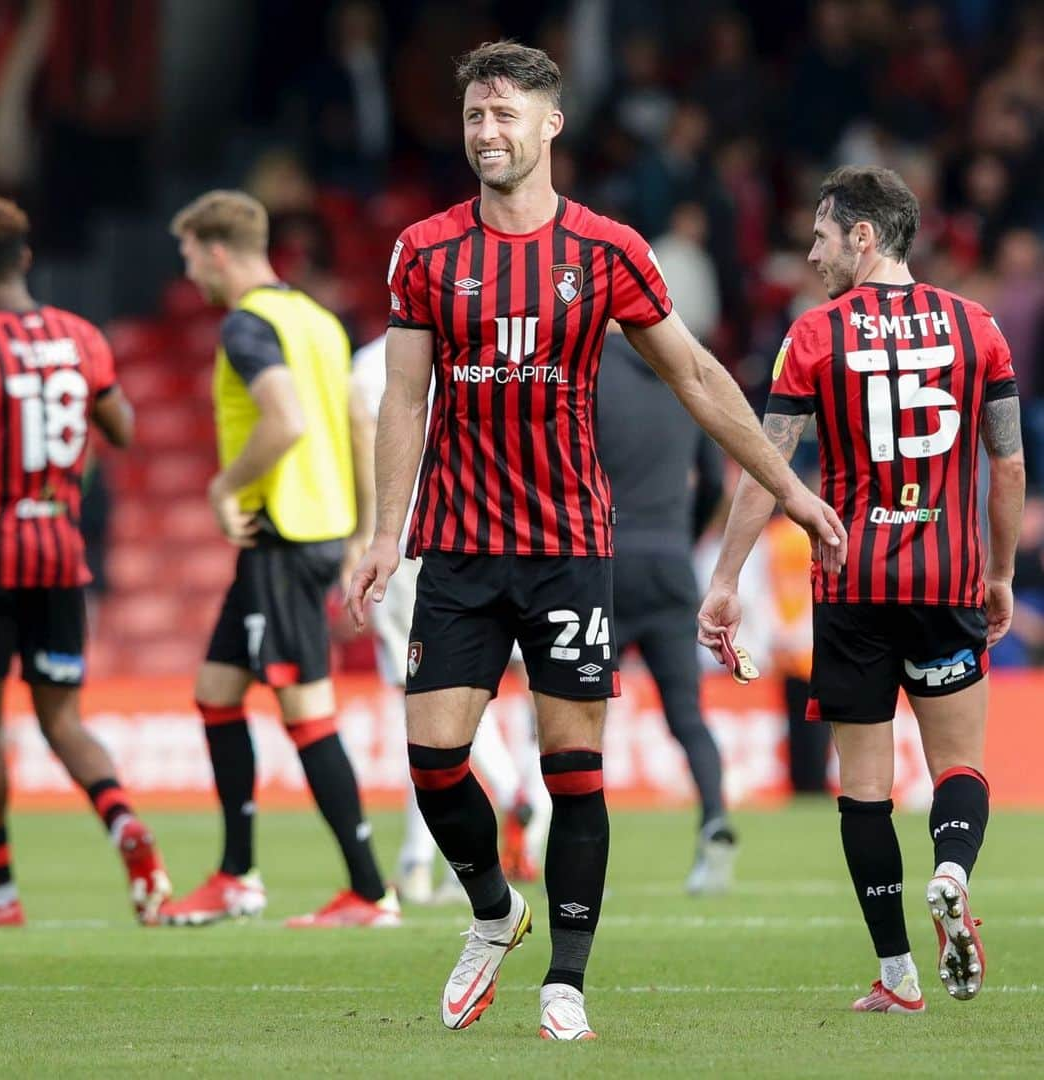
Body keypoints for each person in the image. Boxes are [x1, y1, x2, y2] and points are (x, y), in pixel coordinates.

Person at [347, 42, 845, 1040]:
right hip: (456, 543)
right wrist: (379, 531)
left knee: (573, 769)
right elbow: (404, 397)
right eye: (475, 116)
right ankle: (494, 912)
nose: (488, 132)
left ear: (549, 126)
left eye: (506, 116)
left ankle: (564, 981)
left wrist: (788, 485)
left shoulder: (608, 250)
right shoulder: (425, 251)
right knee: (433, 760)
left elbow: (699, 379)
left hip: (572, 545)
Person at [698, 165, 1025, 1013]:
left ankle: (898, 973)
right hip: (949, 579)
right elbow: (1009, 461)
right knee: (959, 764)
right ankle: (952, 870)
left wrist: (727, 577)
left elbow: (766, 468)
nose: (810, 254)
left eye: (821, 235)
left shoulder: (813, 335)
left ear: (864, 236)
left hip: (852, 582)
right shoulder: (977, 327)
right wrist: (999, 573)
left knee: (865, 789)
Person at [161, 190, 398, 929]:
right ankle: (236, 875)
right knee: (216, 689)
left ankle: (368, 890)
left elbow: (287, 420)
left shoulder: (247, 325)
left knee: (306, 710)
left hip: (287, 537)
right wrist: (362, 524)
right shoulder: (317, 319)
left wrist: (224, 483)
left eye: (191, 254)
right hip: (312, 530)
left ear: (217, 251)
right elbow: (359, 420)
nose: (190, 270)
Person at [0, 195, 170, 926]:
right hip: (59, 552)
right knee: (63, 719)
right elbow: (121, 425)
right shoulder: (79, 335)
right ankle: (125, 826)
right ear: (25, 259)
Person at [350, 331, 550, 903]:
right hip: (471, 532)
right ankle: (417, 860)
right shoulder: (472, 344)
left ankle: (513, 793)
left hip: (411, 544)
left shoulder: (368, 365)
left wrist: (371, 537)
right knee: (457, 701)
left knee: (429, 706)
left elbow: (373, 449)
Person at [595, 321, 738, 893]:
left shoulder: (588, 367)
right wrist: (685, 534)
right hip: (671, 562)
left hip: (602, 561)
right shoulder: (684, 368)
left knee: (579, 715)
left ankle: (564, 841)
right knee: (688, 715)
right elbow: (714, 480)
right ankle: (715, 820)